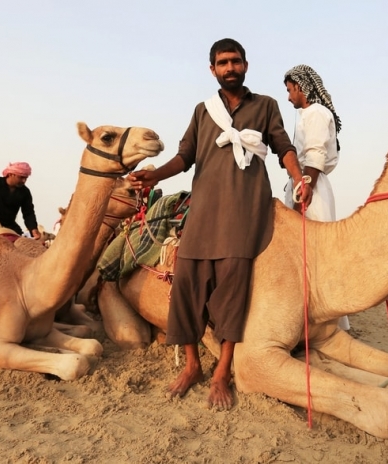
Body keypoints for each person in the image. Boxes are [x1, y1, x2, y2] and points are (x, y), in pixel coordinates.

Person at [127, 38, 310, 410]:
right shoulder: (203, 111)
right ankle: (192, 364)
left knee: (231, 294)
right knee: (186, 287)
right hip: (205, 210)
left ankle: (221, 374)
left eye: (236, 61)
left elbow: (283, 147)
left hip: (245, 213)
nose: (230, 68)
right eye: (223, 63)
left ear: (246, 65)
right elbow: (184, 157)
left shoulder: (266, 106)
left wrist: (299, 177)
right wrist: (155, 177)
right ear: (212, 69)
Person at [282, 64, 350, 331]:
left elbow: (316, 153)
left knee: (318, 254)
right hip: (303, 185)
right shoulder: (306, 115)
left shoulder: (317, 113)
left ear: (300, 87)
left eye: (289, 90)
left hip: (312, 188)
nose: (288, 97)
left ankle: (330, 323)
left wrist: (305, 186)